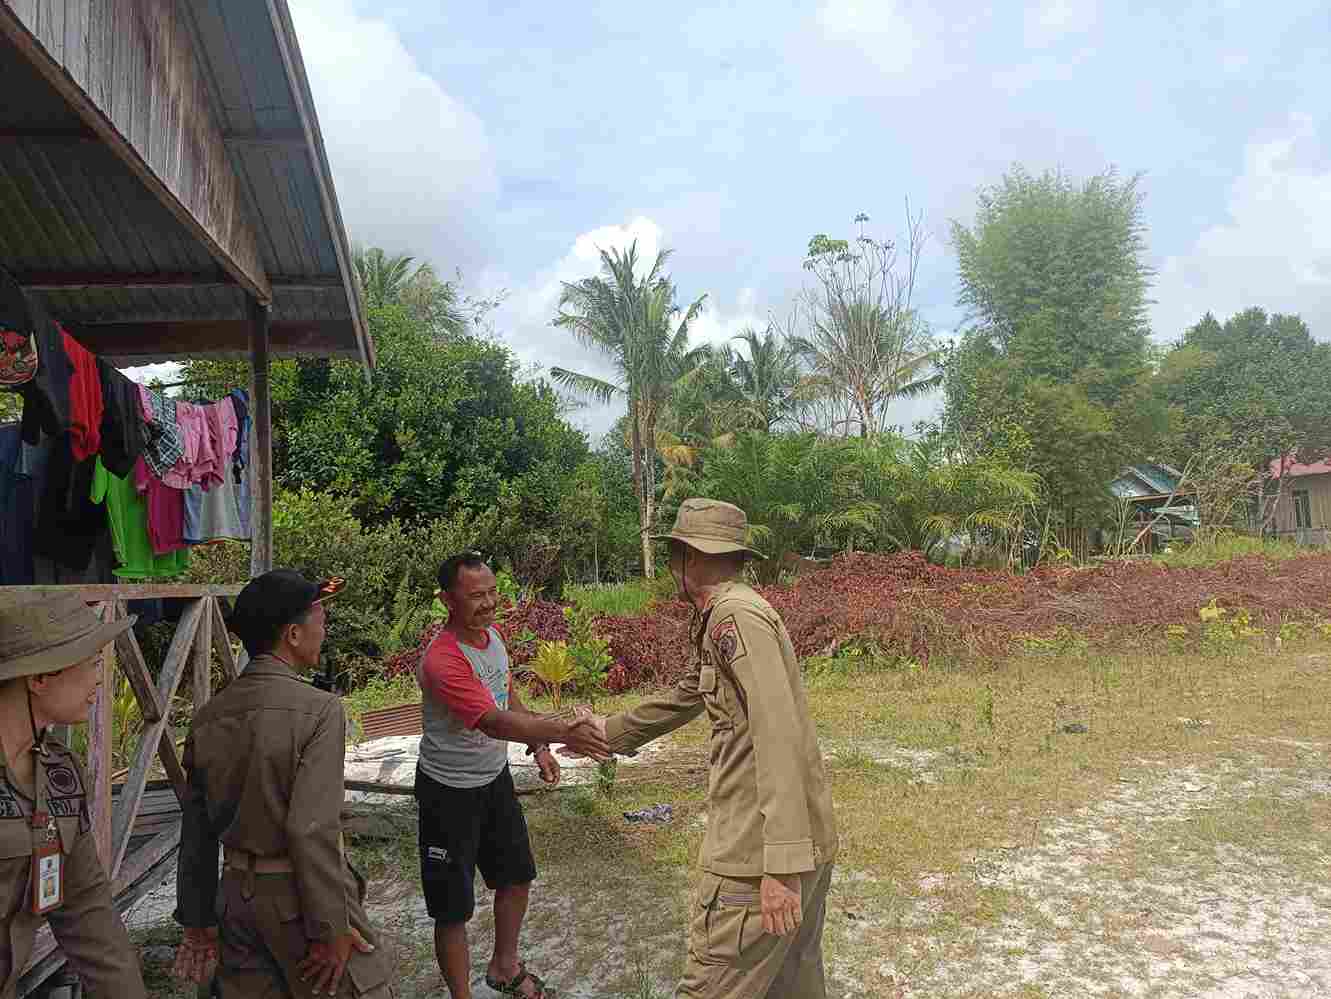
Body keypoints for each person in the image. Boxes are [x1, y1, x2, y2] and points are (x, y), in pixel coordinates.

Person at [574, 499, 839, 999]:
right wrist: (606, 732)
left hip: (755, 856)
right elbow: (688, 692)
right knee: (789, 985)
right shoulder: (728, 614)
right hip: (793, 843)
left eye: (674, 554)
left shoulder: (735, 618)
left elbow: (776, 730)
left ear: (687, 556)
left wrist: (780, 864)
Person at [171, 570, 391, 998]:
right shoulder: (320, 710)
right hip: (299, 899)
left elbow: (195, 833)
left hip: (234, 900)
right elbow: (310, 828)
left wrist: (198, 923)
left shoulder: (209, 717)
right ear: (293, 634)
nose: (324, 633)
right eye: (320, 622)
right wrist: (331, 928)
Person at [415, 553, 610, 999]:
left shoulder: (491, 637)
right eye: (475, 596)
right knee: (452, 908)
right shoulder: (443, 660)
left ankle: (505, 967)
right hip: (448, 792)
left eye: (492, 592)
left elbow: (505, 695)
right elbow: (491, 721)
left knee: (516, 875)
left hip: (493, 780)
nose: (487, 603)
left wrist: (538, 745)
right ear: (448, 600)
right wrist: (563, 729)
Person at [0, 592, 149, 999]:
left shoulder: (61, 774)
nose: (99, 679)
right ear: (39, 678)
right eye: (92, 664)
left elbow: (87, 911)